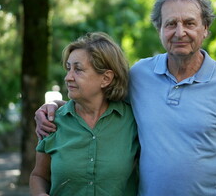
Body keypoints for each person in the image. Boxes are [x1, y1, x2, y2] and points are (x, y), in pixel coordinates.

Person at [36, 0, 216, 195]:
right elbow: (98, 102)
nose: (179, 32)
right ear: (159, 29)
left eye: (189, 23)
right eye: (171, 24)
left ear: (205, 28)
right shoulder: (139, 75)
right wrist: (55, 107)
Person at [30, 32, 139, 196]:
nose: (68, 77)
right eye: (68, 68)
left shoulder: (133, 121)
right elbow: (38, 176)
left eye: (78, 70)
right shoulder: (52, 121)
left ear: (106, 78)